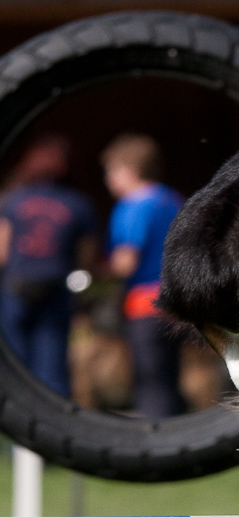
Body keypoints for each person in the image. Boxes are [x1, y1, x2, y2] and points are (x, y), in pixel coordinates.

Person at [0, 136, 98, 397]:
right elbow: (86, 261)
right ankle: (51, 434)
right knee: (52, 372)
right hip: (54, 292)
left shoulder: (13, 200)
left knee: (14, 369)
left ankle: (20, 435)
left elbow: (2, 251)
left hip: (15, 289)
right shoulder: (79, 204)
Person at [102, 133, 185, 418]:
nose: (109, 180)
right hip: (176, 303)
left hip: (143, 305)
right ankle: (179, 439)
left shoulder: (133, 206)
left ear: (129, 170)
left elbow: (125, 262)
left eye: (111, 171)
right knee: (170, 377)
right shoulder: (172, 199)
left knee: (150, 382)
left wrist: (98, 275)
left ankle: (156, 440)